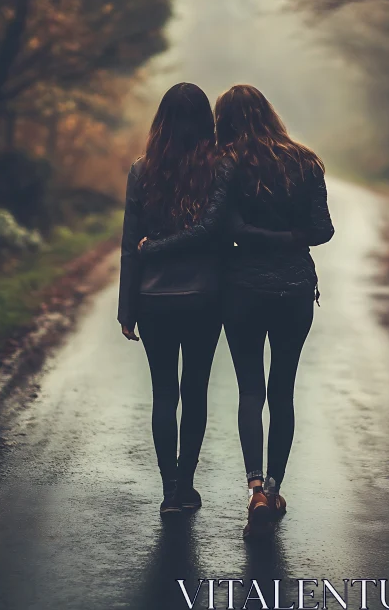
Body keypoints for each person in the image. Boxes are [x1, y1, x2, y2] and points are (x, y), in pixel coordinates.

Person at [143, 84, 334, 538]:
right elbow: (322, 231)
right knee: (282, 389)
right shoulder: (306, 161)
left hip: (241, 289)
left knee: (251, 389)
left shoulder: (226, 163)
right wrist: (289, 238)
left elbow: (221, 226)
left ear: (225, 121)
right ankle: (273, 486)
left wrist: (252, 235)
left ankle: (253, 489)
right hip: (294, 287)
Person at [117, 83, 224, 516]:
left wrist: (127, 309)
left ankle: (168, 492)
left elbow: (129, 245)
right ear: (206, 122)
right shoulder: (219, 169)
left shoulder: (142, 171)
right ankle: (186, 485)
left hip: (153, 300)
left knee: (164, 394)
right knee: (194, 391)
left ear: (161, 121)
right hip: (204, 299)